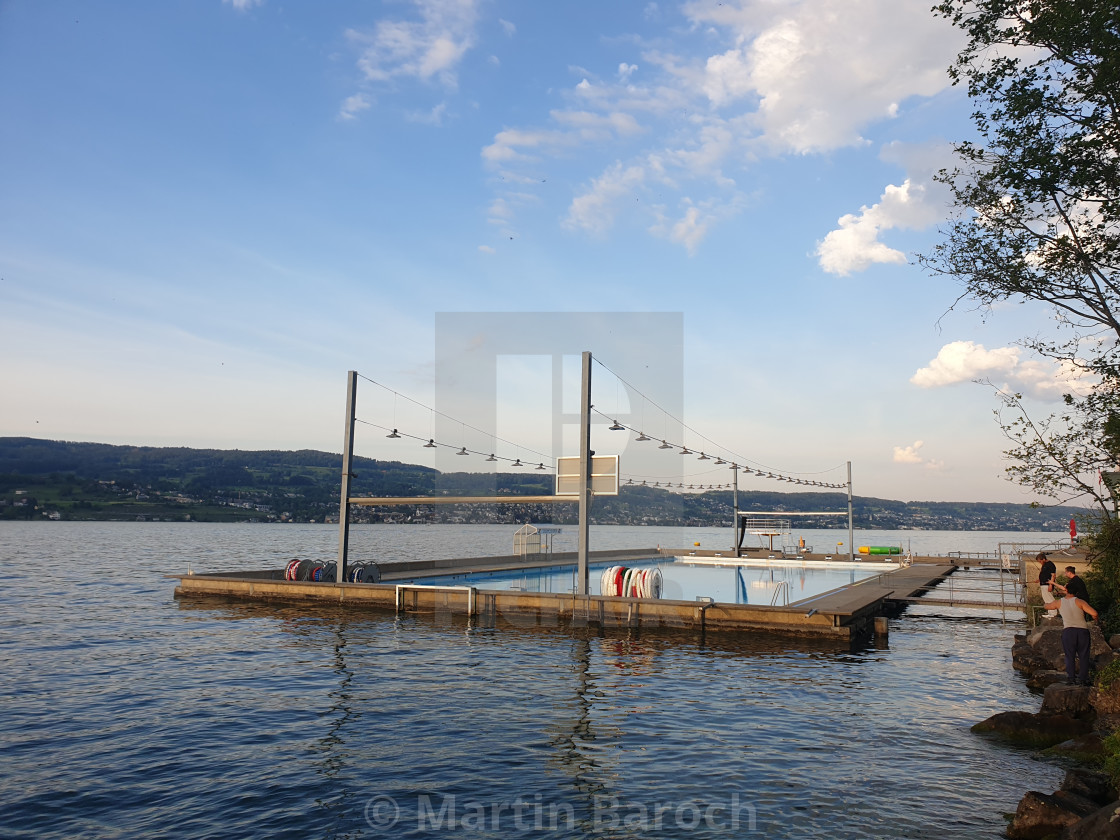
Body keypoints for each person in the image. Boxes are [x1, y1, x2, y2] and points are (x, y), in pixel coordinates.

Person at [1044, 587, 1098, 685]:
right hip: (1082, 631)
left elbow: (1047, 606)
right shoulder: (1080, 602)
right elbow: (1094, 613)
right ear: (1076, 592)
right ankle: (1083, 679)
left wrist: (1045, 603)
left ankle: (1071, 678)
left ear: (1066, 591)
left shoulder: (1059, 602)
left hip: (1068, 631)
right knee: (1084, 656)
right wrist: (1095, 618)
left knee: (1069, 656)